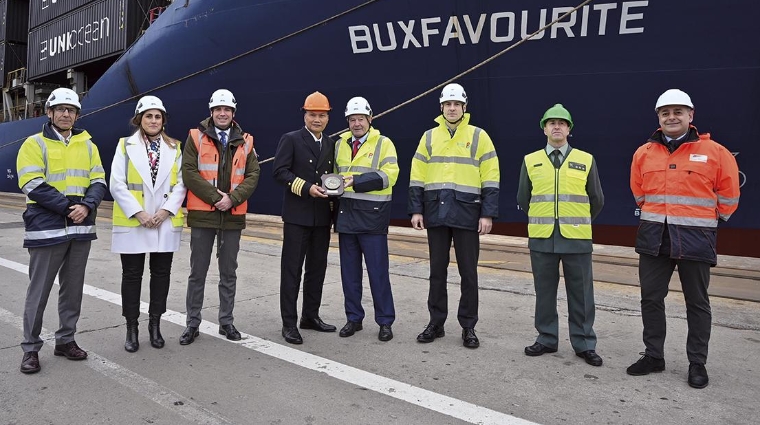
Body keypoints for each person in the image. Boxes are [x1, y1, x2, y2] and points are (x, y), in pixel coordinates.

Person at [627, 89, 740, 388]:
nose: (671, 117)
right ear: (658, 118)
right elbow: (639, 192)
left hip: (695, 237)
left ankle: (697, 363)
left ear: (691, 116)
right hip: (654, 237)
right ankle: (654, 356)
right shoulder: (643, 153)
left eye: (678, 111)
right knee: (651, 298)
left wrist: (710, 221)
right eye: (665, 113)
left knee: (697, 302)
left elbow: (729, 194)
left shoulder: (715, 152)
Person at [16, 88, 107, 374]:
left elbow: (98, 180)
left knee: (73, 289)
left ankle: (65, 340)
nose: (66, 114)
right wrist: (70, 208)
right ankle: (30, 348)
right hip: (47, 228)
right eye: (61, 109)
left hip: (80, 228)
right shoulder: (33, 143)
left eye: (71, 110)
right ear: (49, 113)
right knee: (38, 291)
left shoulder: (88, 145)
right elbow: (32, 183)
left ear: (77, 114)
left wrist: (88, 205)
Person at [408, 83, 500, 349]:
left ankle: (468, 326)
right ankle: (436, 323)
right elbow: (417, 176)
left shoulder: (479, 136)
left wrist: (487, 213)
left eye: (456, 104)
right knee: (437, 272)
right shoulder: (428, 138)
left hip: (467, 213)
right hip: (436, 211)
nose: (452, 108)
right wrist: (416, 209)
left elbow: (491, 176)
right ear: (441, 107)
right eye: (447, 104)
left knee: (468, 273)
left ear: (464, 107)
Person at [517, 104, 605, 366]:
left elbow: (596, 199)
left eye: (562, 123)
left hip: (576, 239)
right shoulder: (530, 160)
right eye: (551, 122)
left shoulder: (586, 160)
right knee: (544, 292)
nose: (557, 126)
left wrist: (578, 223)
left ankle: (584, 343)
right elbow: (524, 197)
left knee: (582, 295)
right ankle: (546, 338)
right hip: (543, 238)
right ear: (544, 128)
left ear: (569, 129)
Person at [179, 89, 260, 345]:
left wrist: (232, 199)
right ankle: (192, 324)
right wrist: (217, 197)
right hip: (204, 214)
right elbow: (189, 172)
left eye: (227, 110)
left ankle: (226, 322)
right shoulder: (195, 137)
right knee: (198, 273)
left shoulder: (247, 141)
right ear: (211, 112)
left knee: (229, 273)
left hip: (232, 216)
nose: (222, 113)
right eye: (218, 110)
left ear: (233, 113)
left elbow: (253, 175)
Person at [110, 96, 187, 352]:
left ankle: (155, 325)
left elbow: (181, 184)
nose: (153, 121)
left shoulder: (175, 148)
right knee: (132, 276)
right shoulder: (125, 146)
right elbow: (116, 184)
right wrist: (139, 213)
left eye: (158, 116)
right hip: (135, 222)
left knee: (161, 275)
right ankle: (132, 328)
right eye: (148, 116)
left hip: (163, 222)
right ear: (139, 119)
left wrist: (166, 211)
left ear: (163, 120)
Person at [273, 91, 337, 344]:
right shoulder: (291, 139)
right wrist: (306, 187)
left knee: (317, 269)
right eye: (313, 115)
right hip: (297, 215)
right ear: (305, 115)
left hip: (321, 216)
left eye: (322, 115)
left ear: (328, 117)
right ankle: (289, 323)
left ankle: (310, 315)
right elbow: (279, 172)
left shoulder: (331, 143)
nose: (317, 119)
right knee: (292, 270)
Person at [334, 97, 399, 342]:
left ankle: (385, 321)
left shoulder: (384, 144)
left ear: (370, 119)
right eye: (352, 119)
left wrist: (357, 182)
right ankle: (353, 318)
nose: (356, 123)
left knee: (378, 273)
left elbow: (390, 175)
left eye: (360, 118)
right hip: (347, 216)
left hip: (373, 218)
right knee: (349, 274)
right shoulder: (340, 144)